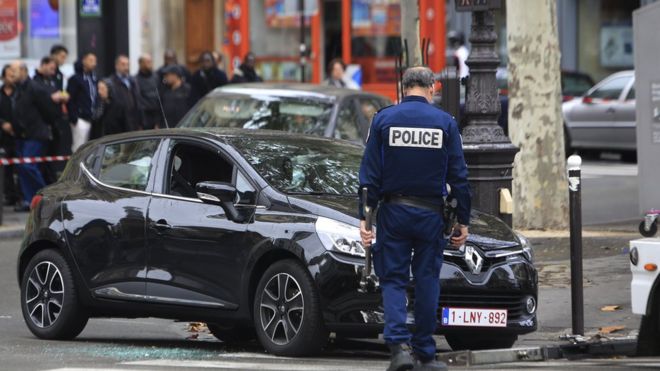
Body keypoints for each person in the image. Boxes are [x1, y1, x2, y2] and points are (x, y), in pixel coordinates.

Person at [358, 66, 470, 371]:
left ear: (403, 88)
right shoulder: (445, 123)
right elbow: (459, 177)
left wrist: (365, 220)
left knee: (393, 279)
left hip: (394, 212)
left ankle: (398, 351)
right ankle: (425, 352)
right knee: (426, 281)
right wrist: (463, 220)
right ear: (431, 88)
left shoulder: (383, 120)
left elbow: (369, 176)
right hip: (431, 215)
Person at [8, 61, 62, 211]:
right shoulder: (18, 89)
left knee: (28, 166)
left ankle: (46, 198)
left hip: (36, 133)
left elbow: (49, 111)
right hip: (21, 135)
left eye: (14, 70)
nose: (11, 74)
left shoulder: (35, 88)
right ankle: (29, 200)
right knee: (22, 167)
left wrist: (44, 126)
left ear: (24, 71)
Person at [32, 56, 69, 184]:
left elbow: (58, 94)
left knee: (50, 160)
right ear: (43, 64)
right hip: (42, 126)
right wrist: (51, 97)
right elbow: (43, 99)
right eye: (51, 68)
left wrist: (61, 96)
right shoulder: (35, 82)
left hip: (54, 125)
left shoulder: (52, 81)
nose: (53, 72)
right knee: (41, 161)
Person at [67, 52, 98, 152]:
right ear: (84, 61)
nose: (94, 63)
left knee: (88, 149)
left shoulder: (93, 78)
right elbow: (70, 99)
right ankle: (76, 167)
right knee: (78, 148)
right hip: (80, 119)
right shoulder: (76, 79)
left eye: (95, 61)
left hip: (91, 118)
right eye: (91, 60)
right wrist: (74, 118)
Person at [0, 65, 20, 207]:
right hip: (3, 136)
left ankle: (19, 195)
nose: (11, 77)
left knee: (20, 166)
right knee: (6, 167)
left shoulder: (20, 93)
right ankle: (9, 195)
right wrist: (2, 124)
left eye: (13, 74)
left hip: (19, 135)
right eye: (8, 75)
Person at [107, 55, 142, 131]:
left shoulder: (133, 81)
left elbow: (137, 100)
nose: (126, 67)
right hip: (118, 124)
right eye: (123, 64)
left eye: (127, 64)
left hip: (133, 122)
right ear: (116, 66)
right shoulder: (110, 82)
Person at [135, 53, 162, 130]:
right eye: (147, 62)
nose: (150, 64)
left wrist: (158, 122)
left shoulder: (156, 77)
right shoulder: (135, 80)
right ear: (141, 63)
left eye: (150, 61)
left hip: (156, 118)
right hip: (143, 119)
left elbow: (160, 99)